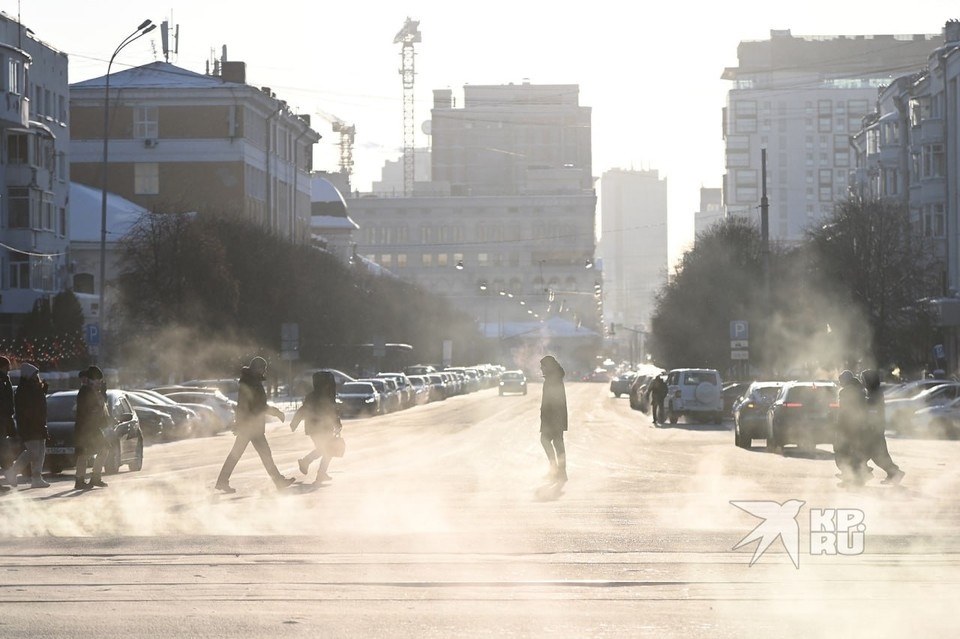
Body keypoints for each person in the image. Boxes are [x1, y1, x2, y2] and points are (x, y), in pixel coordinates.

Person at [215, 357, 294, 493]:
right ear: (257, 368)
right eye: (263, 368)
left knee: (239, 454)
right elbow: (256, 406)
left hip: (250, 425)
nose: (264, 371)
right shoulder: (251, 384)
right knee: (263, 454)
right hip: (251, 426)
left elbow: (247, 406)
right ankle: (278, 481)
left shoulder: (252, 382)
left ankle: (222, 481)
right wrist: (276, 412)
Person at [290, 371, 343, 483]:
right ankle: (313, 467)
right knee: (327, 450)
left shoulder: (311, 396)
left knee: (324, 449)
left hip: (312, 428)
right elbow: (332, 413)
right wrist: (337, 424)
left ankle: (314, 468)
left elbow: (303, 410)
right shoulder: (327, 397)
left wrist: (295, 422)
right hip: (323, 427)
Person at [6, 363, 50, 489]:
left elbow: (40, 406)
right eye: (34, 375)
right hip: (30, 426)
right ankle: (13, 471)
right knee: (33, 452)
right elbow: (28, 409)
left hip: (39, 424)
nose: (37, 377)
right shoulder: (24, 390)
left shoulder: (35, 388)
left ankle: (37, 478)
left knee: (40, 451)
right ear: (28, 376)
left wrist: (42, 392)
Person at [861, 369, 905, 485]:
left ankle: (858, 476)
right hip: (875, 429)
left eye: (864, 380)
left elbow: (873, 411)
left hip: (874, 430)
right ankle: (894, 473)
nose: (863, 382)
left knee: (870, 455)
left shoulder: (874, 394)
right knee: (878, 455)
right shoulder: (874, 392)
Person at [75, 366, 109, 490]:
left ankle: (92, 477)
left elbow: (101, 408)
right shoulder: (86, 391)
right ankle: (82, 479)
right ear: (90, 380)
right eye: (97, 381)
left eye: (100, 381)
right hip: (86, 428)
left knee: (102, 449)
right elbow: (93, 409)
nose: (99, 383)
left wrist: (102, 393)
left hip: (92, 427)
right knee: (84, 453)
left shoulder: (93, 391)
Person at [835, 369, 867, 486]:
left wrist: (839, 427)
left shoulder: (844, 392)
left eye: (841, 380)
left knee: (844, 453)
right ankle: (857, 479)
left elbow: (843, 411)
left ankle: (848, 479)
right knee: (856, 454)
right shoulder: (860, 390)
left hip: (847, 427)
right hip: (859, 426)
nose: (840, 382)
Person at [539, 355, 568, 482]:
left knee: (549, 441)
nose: (541, 369)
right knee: (557, 443)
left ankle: (556, 470)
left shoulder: (553, 380)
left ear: (548, 366)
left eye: (542, 366)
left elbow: (553, 401)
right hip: (554, 418)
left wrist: (547, 417)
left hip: (553, 418)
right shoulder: (554, 378)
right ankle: (559, 471)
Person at [0, 357, 15, 494]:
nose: (10, 367)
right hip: (2, 420)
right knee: (3, 450)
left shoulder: (5, 379)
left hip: (4, 420)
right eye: (8, 365)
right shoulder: (2, 380)